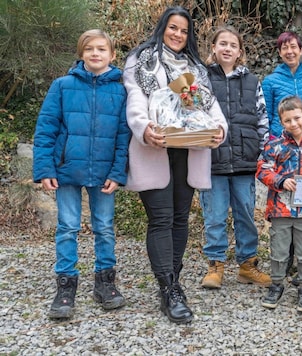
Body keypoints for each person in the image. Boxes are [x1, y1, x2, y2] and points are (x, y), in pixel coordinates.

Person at [123, 6, 228, 324]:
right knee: (161, 218)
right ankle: (168, 288)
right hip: (155, 146)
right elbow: (135, 96)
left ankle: (173, 281)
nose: (178, 34)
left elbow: (208, 103)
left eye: (184, 30)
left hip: (189, 148)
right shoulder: (143, 58)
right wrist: (143, 128)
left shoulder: (196, 66)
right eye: (173, 27)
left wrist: (219, 128)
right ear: (162, 27)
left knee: (180, 218)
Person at [33, 29, 130, 319]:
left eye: (102, 49)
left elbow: (124, 136)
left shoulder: (121, 90)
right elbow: (46, 128)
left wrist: (118, 172)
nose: (96, 53)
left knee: (104, 227)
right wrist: (45, 168)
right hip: (66, 170)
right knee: (67, 227)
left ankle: (105, 282)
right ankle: (65, 285)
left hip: (104, 173)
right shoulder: (62, 86)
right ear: (81, 54)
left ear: (112, 54)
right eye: (90, 49)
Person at [199, 26, 271, 289]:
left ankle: (247, 265)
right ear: (214, 48)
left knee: (246, 215)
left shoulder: (252, 82)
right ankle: (215, 266)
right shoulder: (202, 79)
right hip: (213, 161)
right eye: (223, 44)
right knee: (215, 216)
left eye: (233, 45)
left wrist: (263, 152)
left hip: (244, 160)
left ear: (240, 51)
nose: (227, 48)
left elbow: (262, 119)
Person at [256, 96, 302, 313]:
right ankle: (276, 284)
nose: (293, 124)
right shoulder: (273, 146)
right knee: (279, 251)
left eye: (297, 118)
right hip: (280, 210)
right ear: (281, 122)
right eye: (288, 121)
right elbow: (262, 169)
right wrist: (281, 181)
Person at [262, 31, 302, 138]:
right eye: (285, 48)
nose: (289, 51)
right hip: (279, 140)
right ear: (280, 53)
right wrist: (271, 139)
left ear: (301, 50)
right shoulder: (270, 82)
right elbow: (265, 116)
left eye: (293, 47)